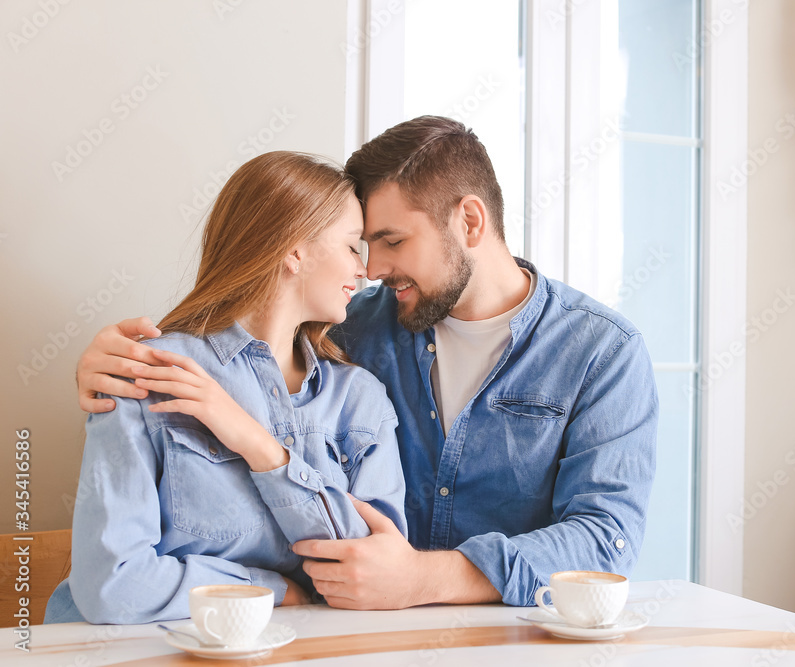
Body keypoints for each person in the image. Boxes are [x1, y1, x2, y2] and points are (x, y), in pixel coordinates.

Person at [75, 116, 658, 610]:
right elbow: (247, 325)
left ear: (471, 222)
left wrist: (422, 579)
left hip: (500, 636)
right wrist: (113, 361)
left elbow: (604, 541)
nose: (373, 268)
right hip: (349, 632)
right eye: (361, 246)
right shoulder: (352, 325)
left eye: (391, 241)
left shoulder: (601, 352)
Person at [47, 151, 406, 624]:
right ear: (295, 250)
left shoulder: (360, 401)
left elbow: (373, 575)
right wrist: (273, 590)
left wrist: (260, 448)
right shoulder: (151, 372)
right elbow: (113, 585)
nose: (364, 270)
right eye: (351, 246)